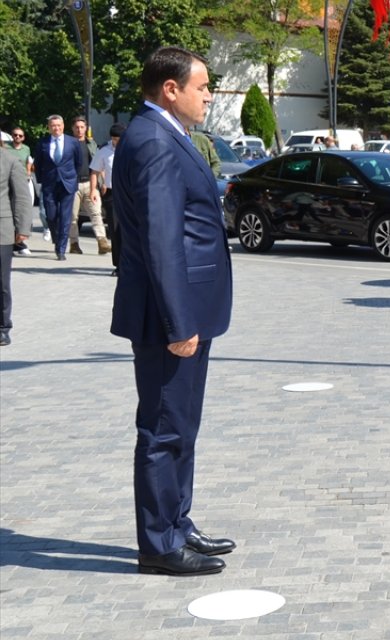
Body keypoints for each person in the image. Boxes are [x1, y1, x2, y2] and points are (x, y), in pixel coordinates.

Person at [111, 46, 235, 577]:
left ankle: (177, 524)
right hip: (171, 317)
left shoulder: (165, 134)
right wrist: (178, 324)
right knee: (164, 429)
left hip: (185, 310)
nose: (208, 94)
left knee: (182, 425)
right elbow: (162, 241)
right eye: (202, 86)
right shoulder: (156, 141)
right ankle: (159, 544)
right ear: (170, 88)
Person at [32, 114, 82, 260]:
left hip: (67, 183)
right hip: (50, 183)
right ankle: (56, 237)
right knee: (51, 215)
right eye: (53, 125)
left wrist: (72, 177)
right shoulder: (43, 143)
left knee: (66, 217)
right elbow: (38, 164)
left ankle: (61, 249)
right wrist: (43, 180)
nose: (56, 128)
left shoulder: (73, 142)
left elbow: (78, 163)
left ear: (63, 126)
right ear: (49, 127)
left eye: (58, 125)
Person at [1, 145, 32, 346]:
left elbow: (21, 197)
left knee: (1, 282)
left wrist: (22, 228)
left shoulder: (10, 160)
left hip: (1, 231)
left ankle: (3, 327)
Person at [69, 116, 109, 255]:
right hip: (73, 184)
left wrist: (102, 181)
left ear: (86, 128)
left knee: (96, 212)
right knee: (73, 217)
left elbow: (99, 164)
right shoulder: (68, 144)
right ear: (73, 128)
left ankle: (102, 242)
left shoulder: (91, 144)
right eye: (77, 127)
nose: (79, 130)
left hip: (90, 184)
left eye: (82, 127)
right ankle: (74, 244)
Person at [90, 123, 127, 273]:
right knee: (115, 229)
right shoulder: (104, 152)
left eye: (119, 138)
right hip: (112, 193)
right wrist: (93, 190)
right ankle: (119, 265)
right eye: (114, 138)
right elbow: (95, 171)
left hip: (130, 194)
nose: (116, 141)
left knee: (130, 230)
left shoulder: (132, 150)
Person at [6, 127, 34, 256]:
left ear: (23, 138)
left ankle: (19, 241)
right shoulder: (6, 147)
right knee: (9, 211)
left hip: (21, 181)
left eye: (20, 136)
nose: (17, 137)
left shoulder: (26, 149)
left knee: (23, 208)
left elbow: (28, 162)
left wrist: (28, 173)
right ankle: (12, 242)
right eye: (15, 135)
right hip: (7, 181)